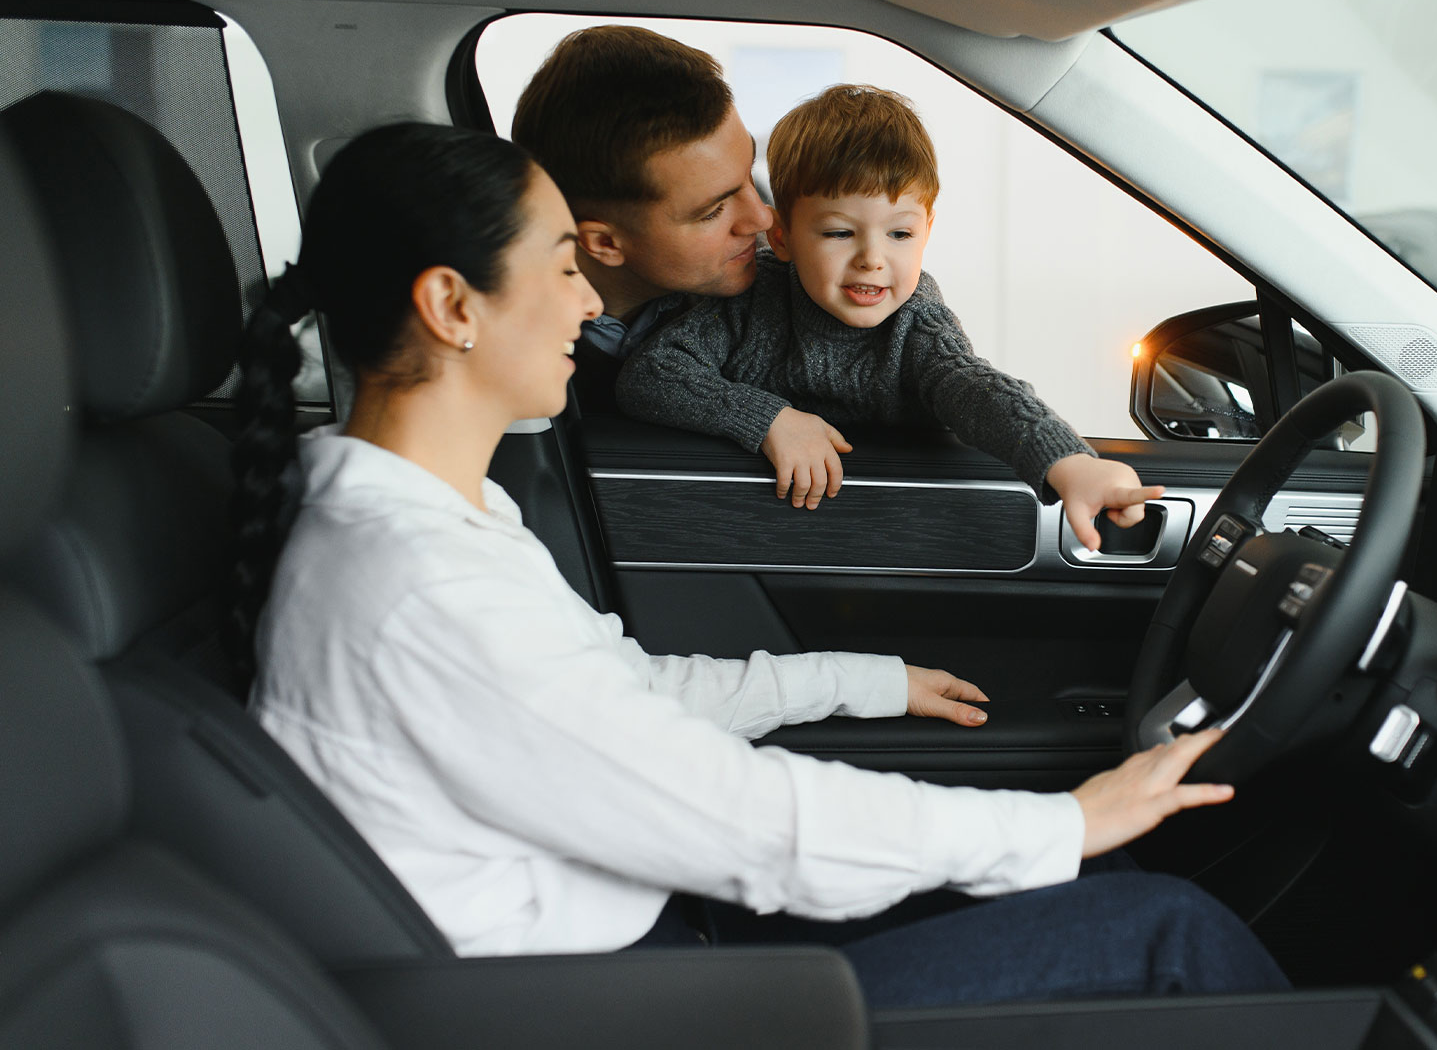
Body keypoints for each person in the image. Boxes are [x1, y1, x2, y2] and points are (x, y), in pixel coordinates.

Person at [228, 121, 1288, 1007]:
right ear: (453, 306)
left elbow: (630, 694)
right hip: (617, 1005)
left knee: (1105, 871)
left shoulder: (431, 520)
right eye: (563, 266)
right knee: (1167, 933)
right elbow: (738, 816)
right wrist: (1060, 819)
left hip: (645, 937)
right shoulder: (415, 585)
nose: (593, 304)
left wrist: (861, 681)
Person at [614, 84, 1158, 548]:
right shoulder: (749, 301)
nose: (873, 258)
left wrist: (1072, 464)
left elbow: (974, 388)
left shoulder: (916, 321)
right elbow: (651, 375)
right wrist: (770, 419)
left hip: (890, 529)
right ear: (781, 237)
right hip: (746, 529)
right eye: (838, 233)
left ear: (927, 229)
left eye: (900, 233)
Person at [509, 25, 766, 414]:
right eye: (713, 211)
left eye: (750, 175)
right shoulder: (511, 346)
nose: (761, 217)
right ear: (605, 243)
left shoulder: (784, 291)